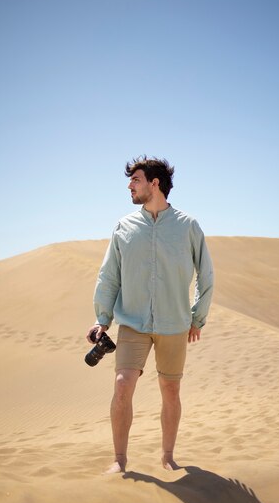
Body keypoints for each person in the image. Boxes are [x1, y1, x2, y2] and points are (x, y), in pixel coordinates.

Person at [86, 156, 213, 473]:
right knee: (121, 385)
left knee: (171, 391)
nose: (130, 185)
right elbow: (109, 276)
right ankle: (119, 460)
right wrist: (102, 319)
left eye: (136, 179)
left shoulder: (187, 226)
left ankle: (168, 457)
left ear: (155, 183)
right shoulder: (124, 227)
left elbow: (206, 275)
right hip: (133, 323)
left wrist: (197, 317)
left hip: (174, 324)